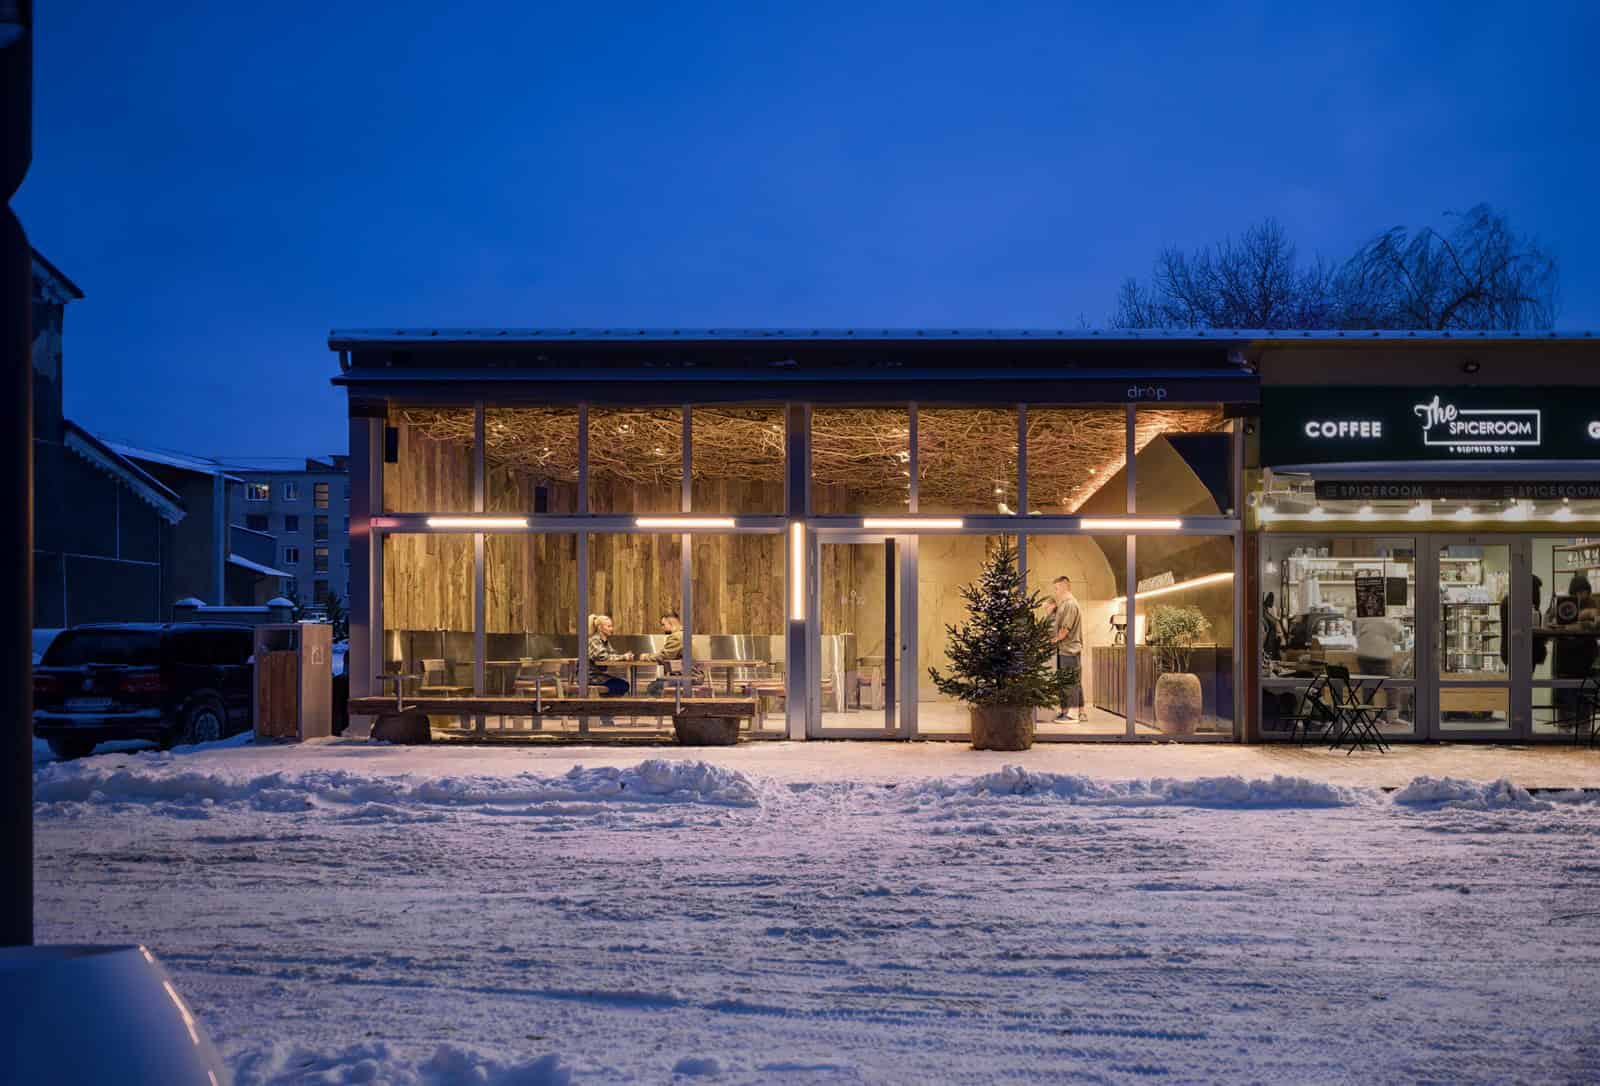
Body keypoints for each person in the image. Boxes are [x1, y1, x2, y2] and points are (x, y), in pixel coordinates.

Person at [1550, 575, 1598, 727]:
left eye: (1584, 592)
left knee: (1583, 710)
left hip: (1584, 664)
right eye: (1578, 592)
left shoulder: (1593, 605)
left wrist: (1580, 622)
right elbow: (1550, 623)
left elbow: (1596, 624)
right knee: (1566, 708)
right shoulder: (1561, 604)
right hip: (1566, 664)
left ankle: (1580, 734)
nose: (1581, 596)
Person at [1050, 575, 1085, 723]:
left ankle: (1071, 714)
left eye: (1057, 588)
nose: (1056, 592)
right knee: (1070, 681)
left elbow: (1066, 628)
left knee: (1070, 681)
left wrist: (1055, 639)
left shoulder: (1070, 604)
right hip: (1066, 649)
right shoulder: (1065, 604)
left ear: (1065, 586)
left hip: (1069, 649)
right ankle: (1071, 712)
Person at [586, 613, 633, 697]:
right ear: (600, 628)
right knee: (622, 685)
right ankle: (604, 705)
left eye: (611, 626)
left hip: (598, 675)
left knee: (624, 684)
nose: (612, 629)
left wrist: (625, 656)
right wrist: (623, 657)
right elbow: (604, 658)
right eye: (609, 626)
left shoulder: (604, 641)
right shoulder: (594, 640)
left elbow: (612, 654)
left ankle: (606, 703)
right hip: (590, 677)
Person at [645, 612, 683, 695]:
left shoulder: (676, 637)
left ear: (671, 624)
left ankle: (662, 707)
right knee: (657, 682)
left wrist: (646, 657)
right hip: (688, 675)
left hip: (685, 677)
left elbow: (664, 656)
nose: (662, 628)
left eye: (663, 625)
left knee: (653, 687)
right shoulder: (683, 634)